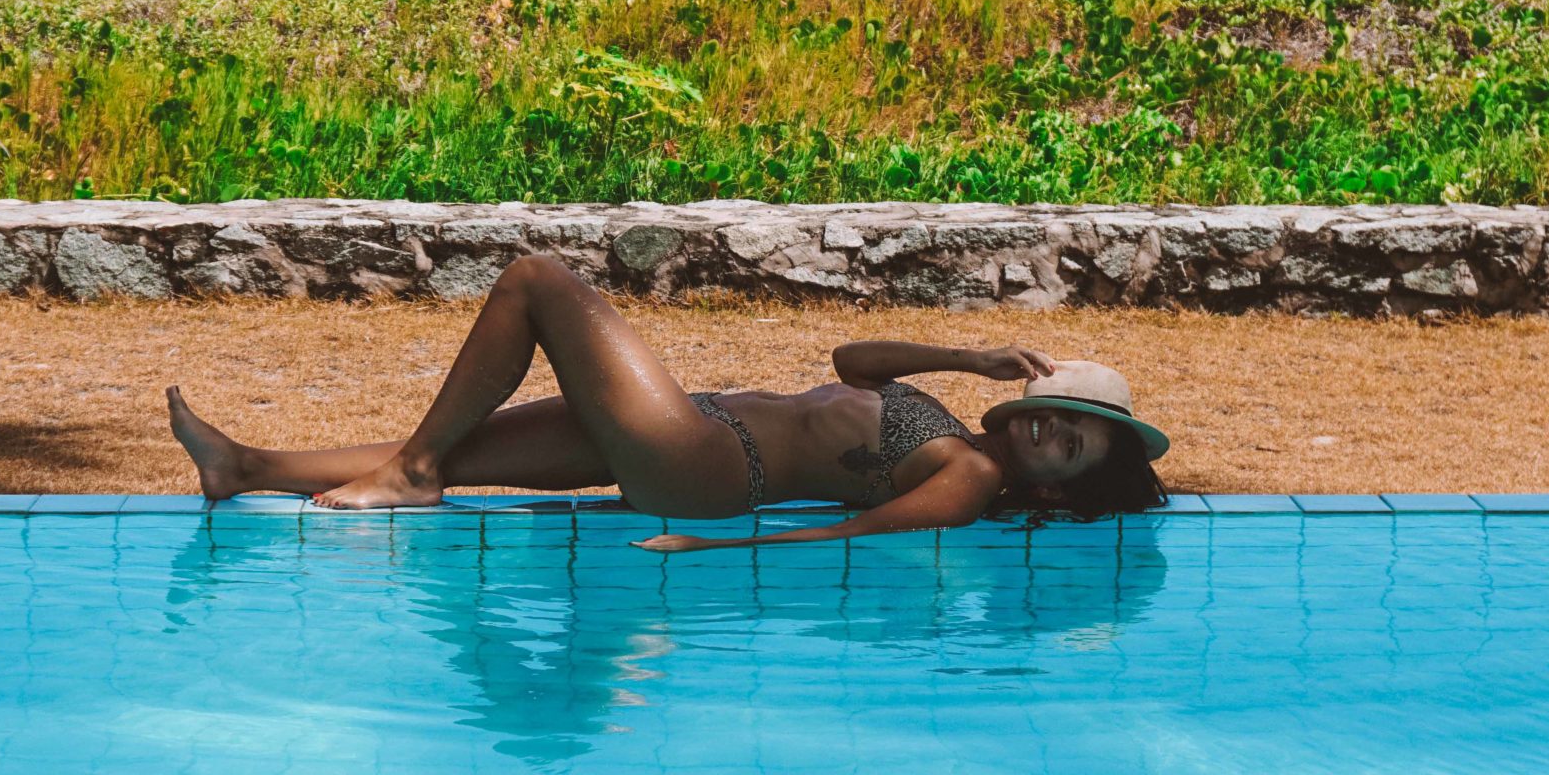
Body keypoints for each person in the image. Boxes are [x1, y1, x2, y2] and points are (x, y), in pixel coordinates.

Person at [166, 255, 1170, 552]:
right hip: (698, 430)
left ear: (1065, 480)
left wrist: (711, 550)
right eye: (1057, 412)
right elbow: (848, 355)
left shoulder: (971, 475)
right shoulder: (966, 421)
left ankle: (411, 477)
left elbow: (857, 532)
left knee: (538, 282)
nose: (1046, 428)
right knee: (456, 445)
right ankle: (244, 467)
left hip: (705, 468)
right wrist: (976, 353)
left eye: (1069, 444)